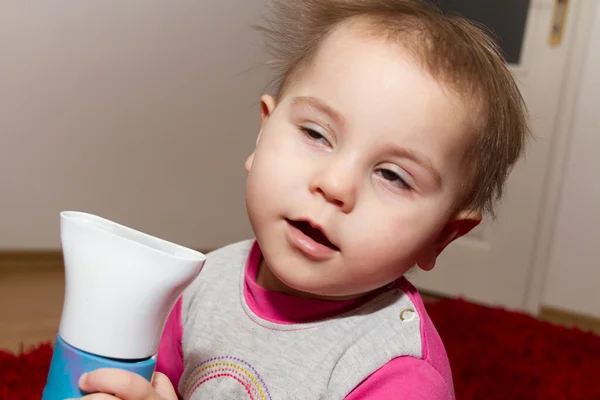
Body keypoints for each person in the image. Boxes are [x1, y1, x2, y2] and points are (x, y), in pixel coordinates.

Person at [77, 0, 529, 398]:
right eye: (316, 133)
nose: (335, 185)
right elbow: (164, 383)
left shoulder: (396, 374)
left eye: (393, 175)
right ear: (262, 134)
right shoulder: (205, 282)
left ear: (443, 236)